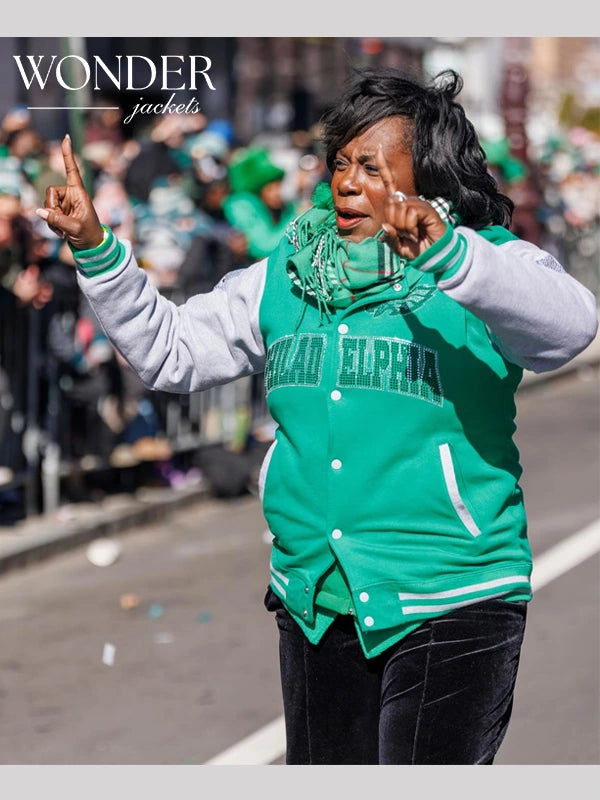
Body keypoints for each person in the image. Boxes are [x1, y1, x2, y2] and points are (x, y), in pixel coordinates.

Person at [36, 68, 597, 765]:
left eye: (371, 164)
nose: (347, 181)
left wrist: (453, 257)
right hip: (315, 599)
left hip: (452, 597)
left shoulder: (481, 264)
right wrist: (97, 251)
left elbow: (570, 326)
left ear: (424, 176)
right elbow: (172, 351)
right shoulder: (290, 271)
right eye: (340, 162)